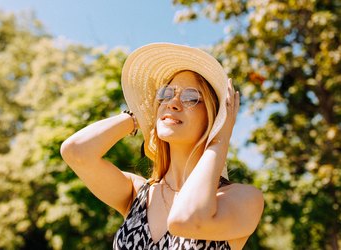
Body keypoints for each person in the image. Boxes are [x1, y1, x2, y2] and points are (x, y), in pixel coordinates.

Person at [60, 43, 264, 250]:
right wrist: (139, 117)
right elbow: (76, 152)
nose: (173, 103)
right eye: (166, 94)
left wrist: (220, 140)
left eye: (191, 97)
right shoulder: (137, 194)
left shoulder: (243, 199)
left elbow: (186, 219)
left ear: (213, 117)